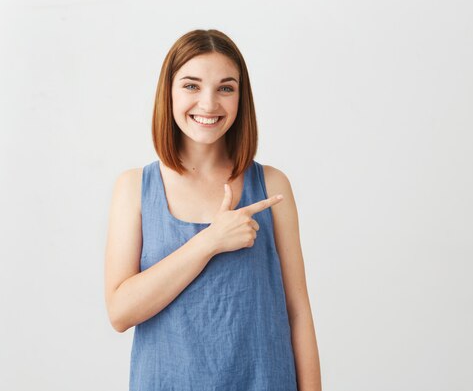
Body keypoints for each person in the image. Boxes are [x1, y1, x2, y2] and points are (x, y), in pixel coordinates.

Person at [104, 29, 321, 391]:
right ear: (168, 93)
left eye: (225, 88)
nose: (208, 104)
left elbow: (298, 313)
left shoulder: (272, 185)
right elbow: (120, 312)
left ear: (241, 97)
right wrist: (211, 241)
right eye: (191, 86)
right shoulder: (134, 188)